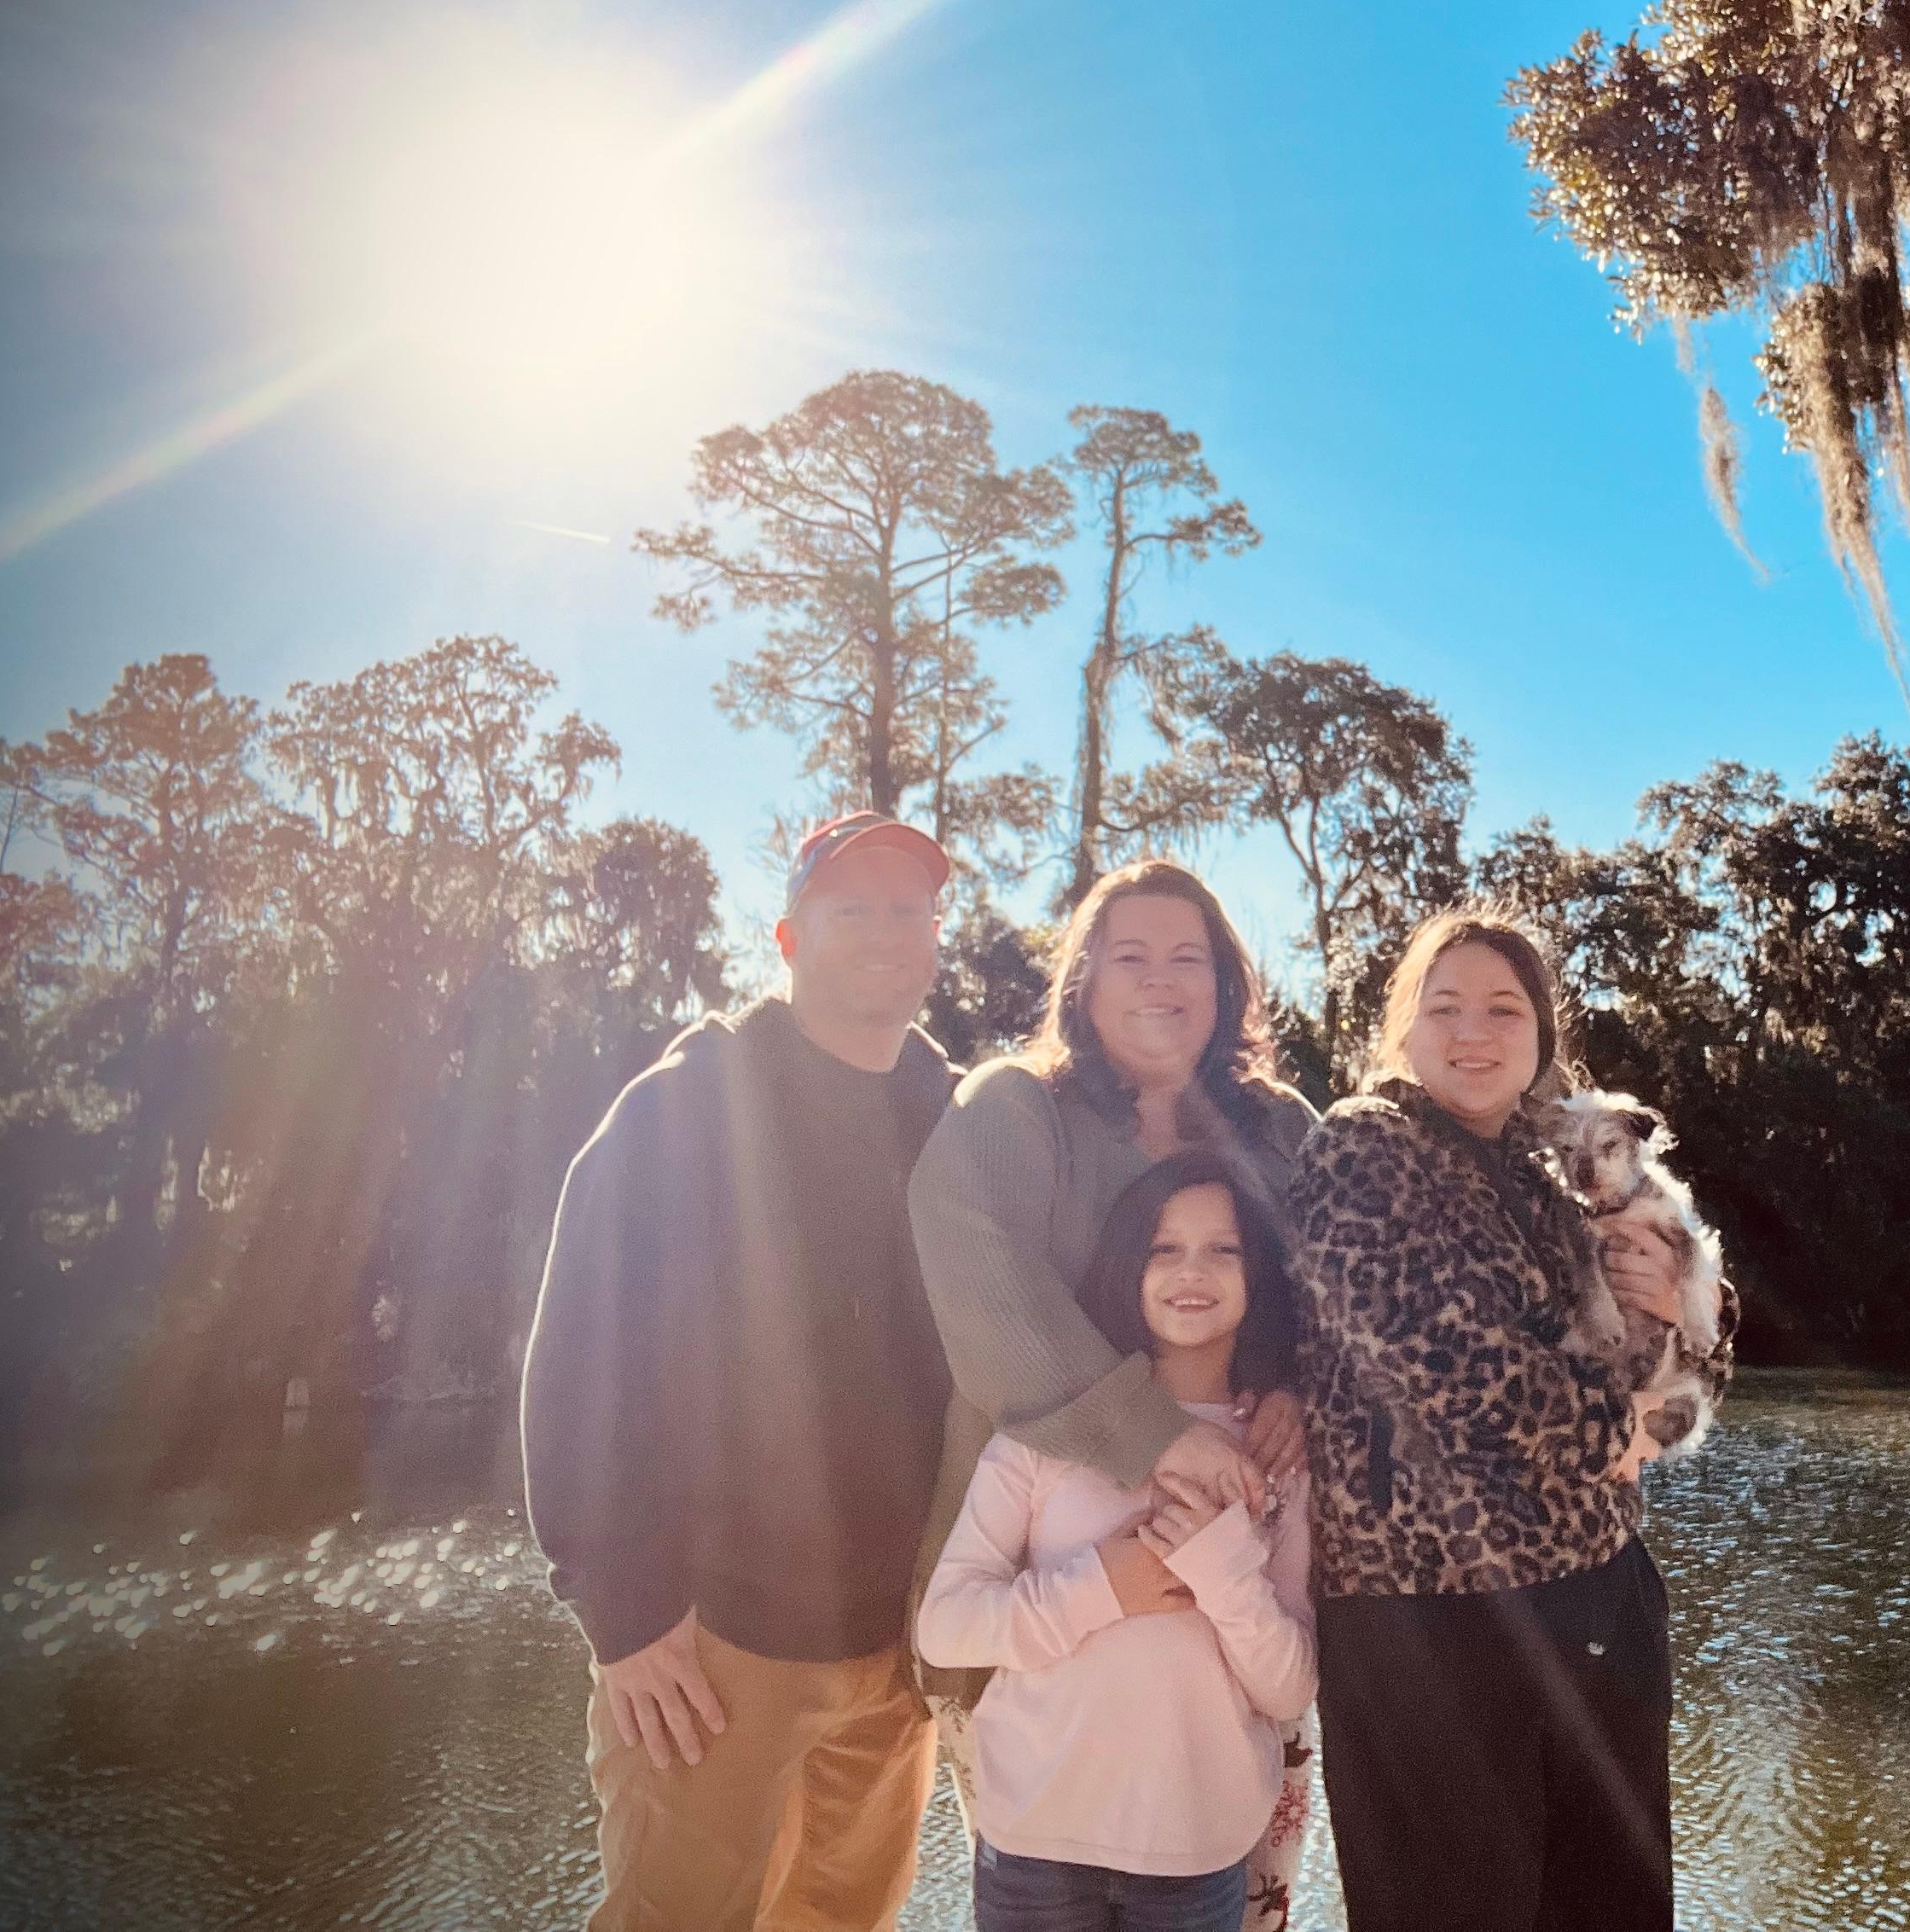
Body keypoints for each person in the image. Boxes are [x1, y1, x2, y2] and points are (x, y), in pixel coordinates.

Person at [520, 809, 961, 1932]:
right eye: (851, 906)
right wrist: (622, 1614)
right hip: (713, 1650)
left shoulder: (950, 1120)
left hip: (896, 1651)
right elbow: (578, 1352)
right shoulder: (685, 1107)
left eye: (908, 908)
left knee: (843, 1921)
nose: (884, 930)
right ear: (787, 938)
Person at [1286, 910, 1712, 1932]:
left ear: (1539, 1040)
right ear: (1405, 1031)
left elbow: (1699, 1331)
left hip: (1603, 1597)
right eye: (1446, 1009)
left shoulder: (1561, 1176)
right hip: (1427, 1621)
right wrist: (1627, 1433)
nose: (1473, 1032)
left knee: (1615, 1910)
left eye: (1503, 1010)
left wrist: (1683, 1295)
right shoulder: (1357, 1151)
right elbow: (1446, 1370)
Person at [905, 862, 1321, 1896]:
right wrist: (1161, 1437)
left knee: (1237, 1896)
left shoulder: (1282, 1133)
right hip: (1044, 1613)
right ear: (1082, 984)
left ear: (1226, 987)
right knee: (1047, 1877)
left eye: (1191, 958)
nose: (1161, 980)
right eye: (1129, 955)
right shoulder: (1016, 1109)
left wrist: (1305, 1388)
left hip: (1239, 1616)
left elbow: (1347, 1298)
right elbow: (985, 1296)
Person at [916, 1153, 1319, 1932]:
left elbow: (1290, 1688)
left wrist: (1221, 1573)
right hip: (1033, 1845)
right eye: (1163, 1248)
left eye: (1222, 1250)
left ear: (1256, 1272)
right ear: (1126, 1264)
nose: (1190, 1272)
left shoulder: (1277, 1452)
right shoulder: (1050, 1434)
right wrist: (1105, 1583)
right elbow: (947, 1625)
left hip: (1195, 1857)